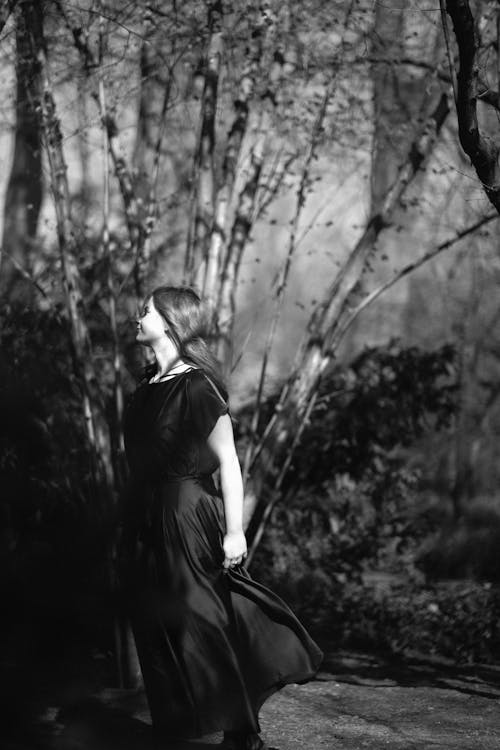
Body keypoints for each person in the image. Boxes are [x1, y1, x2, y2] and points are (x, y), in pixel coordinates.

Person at [121, 285, 323, 750]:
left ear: (172, 322)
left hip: (186, 514)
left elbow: (230, 463)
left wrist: (235, 531)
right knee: (153, 623)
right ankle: (171, 729)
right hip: (144, 519)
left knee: (201, 618)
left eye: (146, 311)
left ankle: (242, 733)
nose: (138, 316)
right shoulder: (142, 391)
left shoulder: (196, 386)